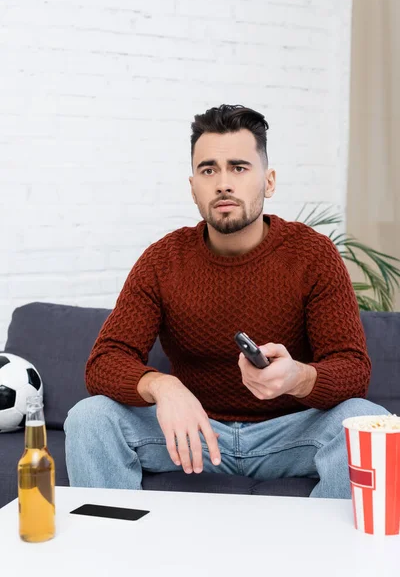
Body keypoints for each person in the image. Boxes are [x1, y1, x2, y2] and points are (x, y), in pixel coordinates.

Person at [64, 104, 388, 498]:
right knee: (89, 417)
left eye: (239, 167)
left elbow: (353, 369)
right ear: (193, 186)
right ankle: (110, 547)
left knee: (365, 419)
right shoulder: (163, 260)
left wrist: (297, 377)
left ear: (268, 181)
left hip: (290, 435)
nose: (223, 183)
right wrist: (163, 386)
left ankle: (322, 555)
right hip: (195, 433)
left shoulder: (312, 255)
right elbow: (104, 362)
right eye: (208, 170)